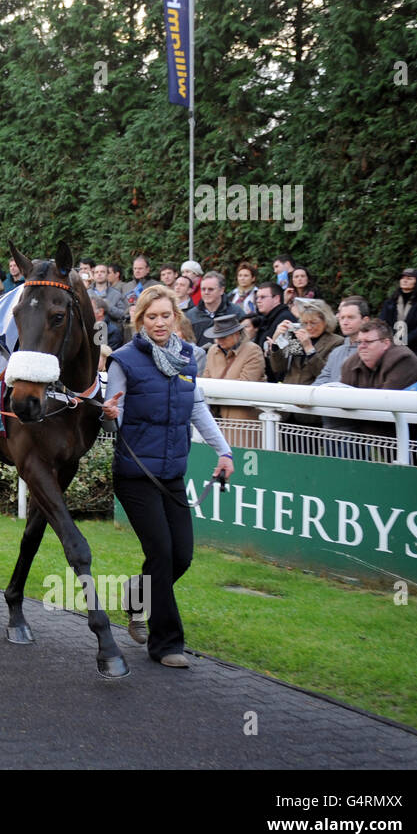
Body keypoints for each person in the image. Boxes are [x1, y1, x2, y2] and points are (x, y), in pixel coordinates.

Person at [101, 285, 233, 669]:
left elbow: (198, 410)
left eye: (166, 315)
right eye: (151, 317)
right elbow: (114, 418)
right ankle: (166, 644)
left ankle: (135, 598)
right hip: (135, 474)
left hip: (172, 474)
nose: (159, 323)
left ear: (176, 317)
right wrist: (107, 417)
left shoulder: (189, 358)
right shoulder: (124, 360)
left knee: (182, 557)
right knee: (160, 553)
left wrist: (223, 451)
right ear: (140, 320)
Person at [200, 313, 266, 448]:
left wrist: (215, 389)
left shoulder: (253, 350)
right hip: (216, 420)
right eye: (217, 337)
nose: (219, 341)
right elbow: (205, 380)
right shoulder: (213, 351)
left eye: (223, 336)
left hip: (243, 421)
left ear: (237, 334)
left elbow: (246, 384)